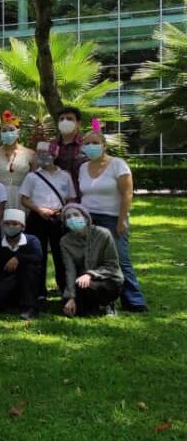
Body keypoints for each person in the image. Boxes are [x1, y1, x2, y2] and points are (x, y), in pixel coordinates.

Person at [77, 130, 146, 312]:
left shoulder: (118, 165)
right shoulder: (83, 167)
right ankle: (104, 298)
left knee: (120, 260)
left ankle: (134, 300)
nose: (90, 147)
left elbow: (127, 193)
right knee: (94, 260)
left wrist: (122, 220)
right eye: (87, 143)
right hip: (89, 219)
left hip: (112, 218)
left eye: (94, 143)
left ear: (104, 145)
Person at [20, 141, 76, 294]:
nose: (41, 156)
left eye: (45, 153)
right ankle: (38, 291)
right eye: (38, 153)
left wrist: (64, 212)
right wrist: (39, 210)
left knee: (61, 254)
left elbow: (71, 199)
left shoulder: (65, 176)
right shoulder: (32, 177)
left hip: (59, 219)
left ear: (54, 154)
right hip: (37, 218)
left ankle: (65, 287)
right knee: (38, 254)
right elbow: (24, 199)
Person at [60, 204, 122, 317]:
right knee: (72, 309)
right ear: (65, 223)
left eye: (76, 215)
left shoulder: (103, 234)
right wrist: (71, 297)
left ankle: (108, 303)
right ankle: (91, 305)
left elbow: (112, 265)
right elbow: (70, 270)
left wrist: (90, 274)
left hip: (108, 279)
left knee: (91, 287)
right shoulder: (65, 241)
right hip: (82, 281)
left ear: (85, 217)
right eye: (68, 217)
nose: (72, 218)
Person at [0, 209, 44, 320]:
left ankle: (30, 307)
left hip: (29, 281)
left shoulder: (32, 241)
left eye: (15, 223)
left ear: (23, 226)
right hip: (8, 281)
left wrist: (18, 258)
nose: (10, 226)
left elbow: (38, 258)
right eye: (7, 223)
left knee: (29, 267)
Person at [0, 110, 34, 210]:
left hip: (23, 198)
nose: (7, 133)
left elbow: (35, 180)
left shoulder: (30, 153)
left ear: (18, 131)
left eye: (11, 129)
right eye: (4, 130)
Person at [51, 106, 87, 192]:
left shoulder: (86, 145)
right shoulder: (51, 145)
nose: (65, 121)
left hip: (81, 197)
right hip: (55, 197)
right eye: (61, 119)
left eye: (69, 119)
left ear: (78, 124)